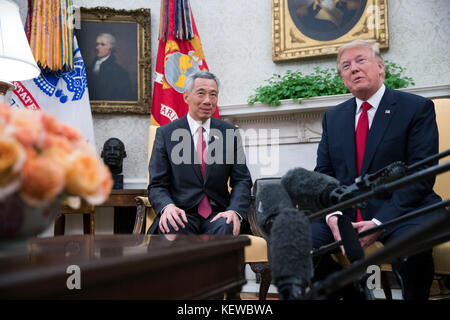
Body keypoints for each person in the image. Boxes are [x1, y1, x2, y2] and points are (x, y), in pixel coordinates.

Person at [313, 39, 442, 300]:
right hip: (347, 212)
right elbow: (323, 175)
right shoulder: (333, 117)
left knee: (413, 247)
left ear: (381, 68)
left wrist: (379, 223)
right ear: (343, 78)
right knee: (300, 241)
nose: (354, 69)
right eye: (346, 66)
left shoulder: (415, 108)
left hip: (404, 209)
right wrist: (335, 217)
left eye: (361, 60)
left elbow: (421, 176)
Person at [147, 71, 252, 236]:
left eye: (213, 95)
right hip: (182, 213)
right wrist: (168, 207)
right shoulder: (166, 134)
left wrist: (234, 210)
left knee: (227, 227)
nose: (207, 101)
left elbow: (242, 181)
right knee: (172, 226)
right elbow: (157, 184)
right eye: (201, 93)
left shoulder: (230, 134)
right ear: (186, 96)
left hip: (219, 214)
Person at [86, 33, 133, 101]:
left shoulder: (121, 73)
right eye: (97, 44)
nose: (97, 47)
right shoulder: (88, 69)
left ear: (110, 48)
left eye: (102, 44)